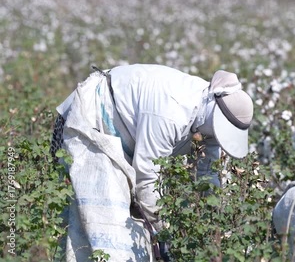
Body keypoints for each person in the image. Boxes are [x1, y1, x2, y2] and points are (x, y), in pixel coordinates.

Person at [51, 64, 254, 261]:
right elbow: (147, 177)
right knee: (107, 230)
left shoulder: (207, 117)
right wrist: (164, 234)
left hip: (121, 138)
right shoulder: (171, 111)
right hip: (90, 121)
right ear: (214, 113)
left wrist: (215, 227)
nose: (215, 138)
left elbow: (209, 175)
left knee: (128, 232)